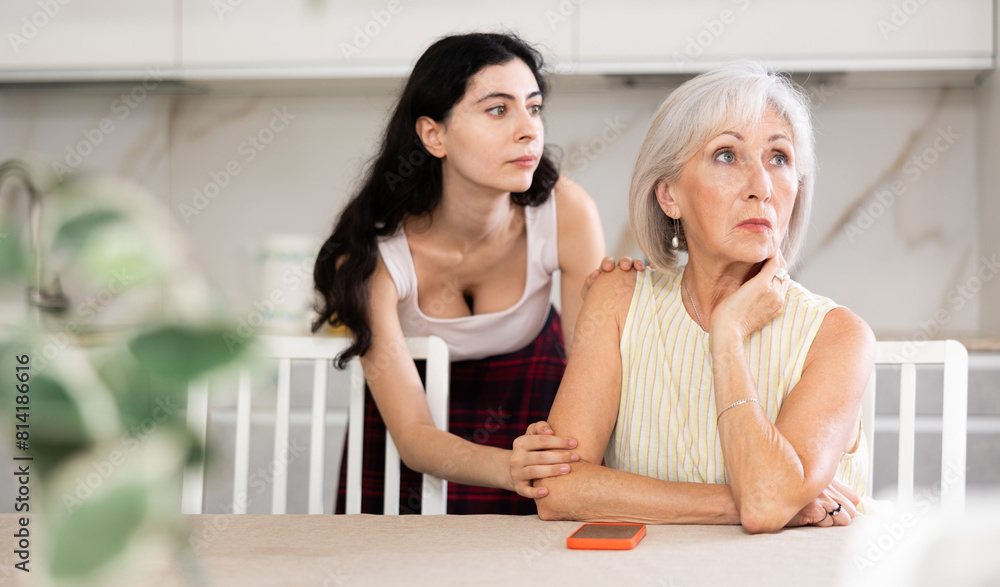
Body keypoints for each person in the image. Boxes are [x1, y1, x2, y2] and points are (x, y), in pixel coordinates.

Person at [525, 62, 875, 532]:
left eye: (779, 157)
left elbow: (767, 504)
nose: (762, 187)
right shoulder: (617, 298)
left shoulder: (839, 337)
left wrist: (728, 335)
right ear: (668, 195)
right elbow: (557, 489)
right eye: (727, 155)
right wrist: (735, 503)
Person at [313, 32, 628, 515]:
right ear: (433, 135)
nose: (529, 131)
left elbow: (593, 372)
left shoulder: (567, 212)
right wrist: (510, 468)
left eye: (534, 108)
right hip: (413, 456)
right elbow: (415, 436)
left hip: (536, 430)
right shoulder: (371, 256)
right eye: (498, 110)